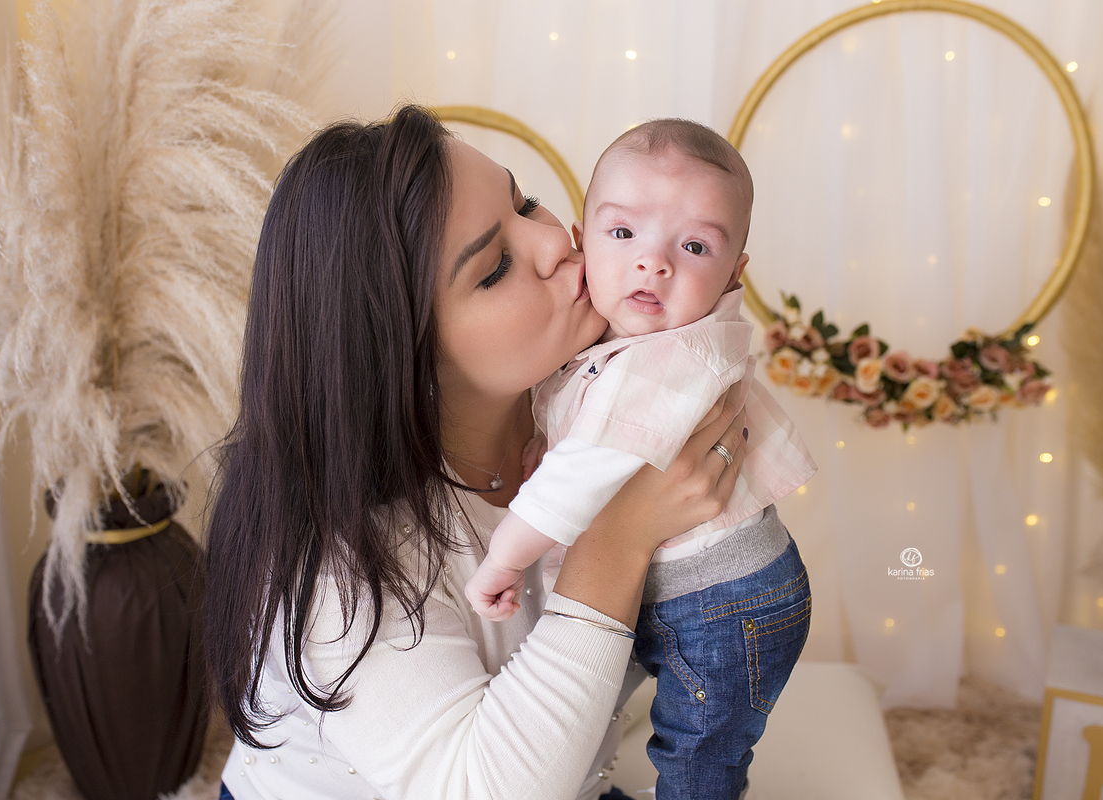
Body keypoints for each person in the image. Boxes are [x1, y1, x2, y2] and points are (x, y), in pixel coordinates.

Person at [202, 105, 750, 800]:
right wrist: (619, 539)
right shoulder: (328, 559)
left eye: (524, 201)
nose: (555, 243)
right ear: (402, 353)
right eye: (494, 268)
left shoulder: (594, 394)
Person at [464, 119, 817, 800]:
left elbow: (589, 463)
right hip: (693, 595)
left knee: (698, 752)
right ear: (583, 239)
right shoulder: (610, 342)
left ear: (734, 273)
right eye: (623, 234)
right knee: (591, 692)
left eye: (693, 246)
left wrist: (507, 554)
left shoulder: (671, 358)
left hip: (726, 603)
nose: (654, 263)